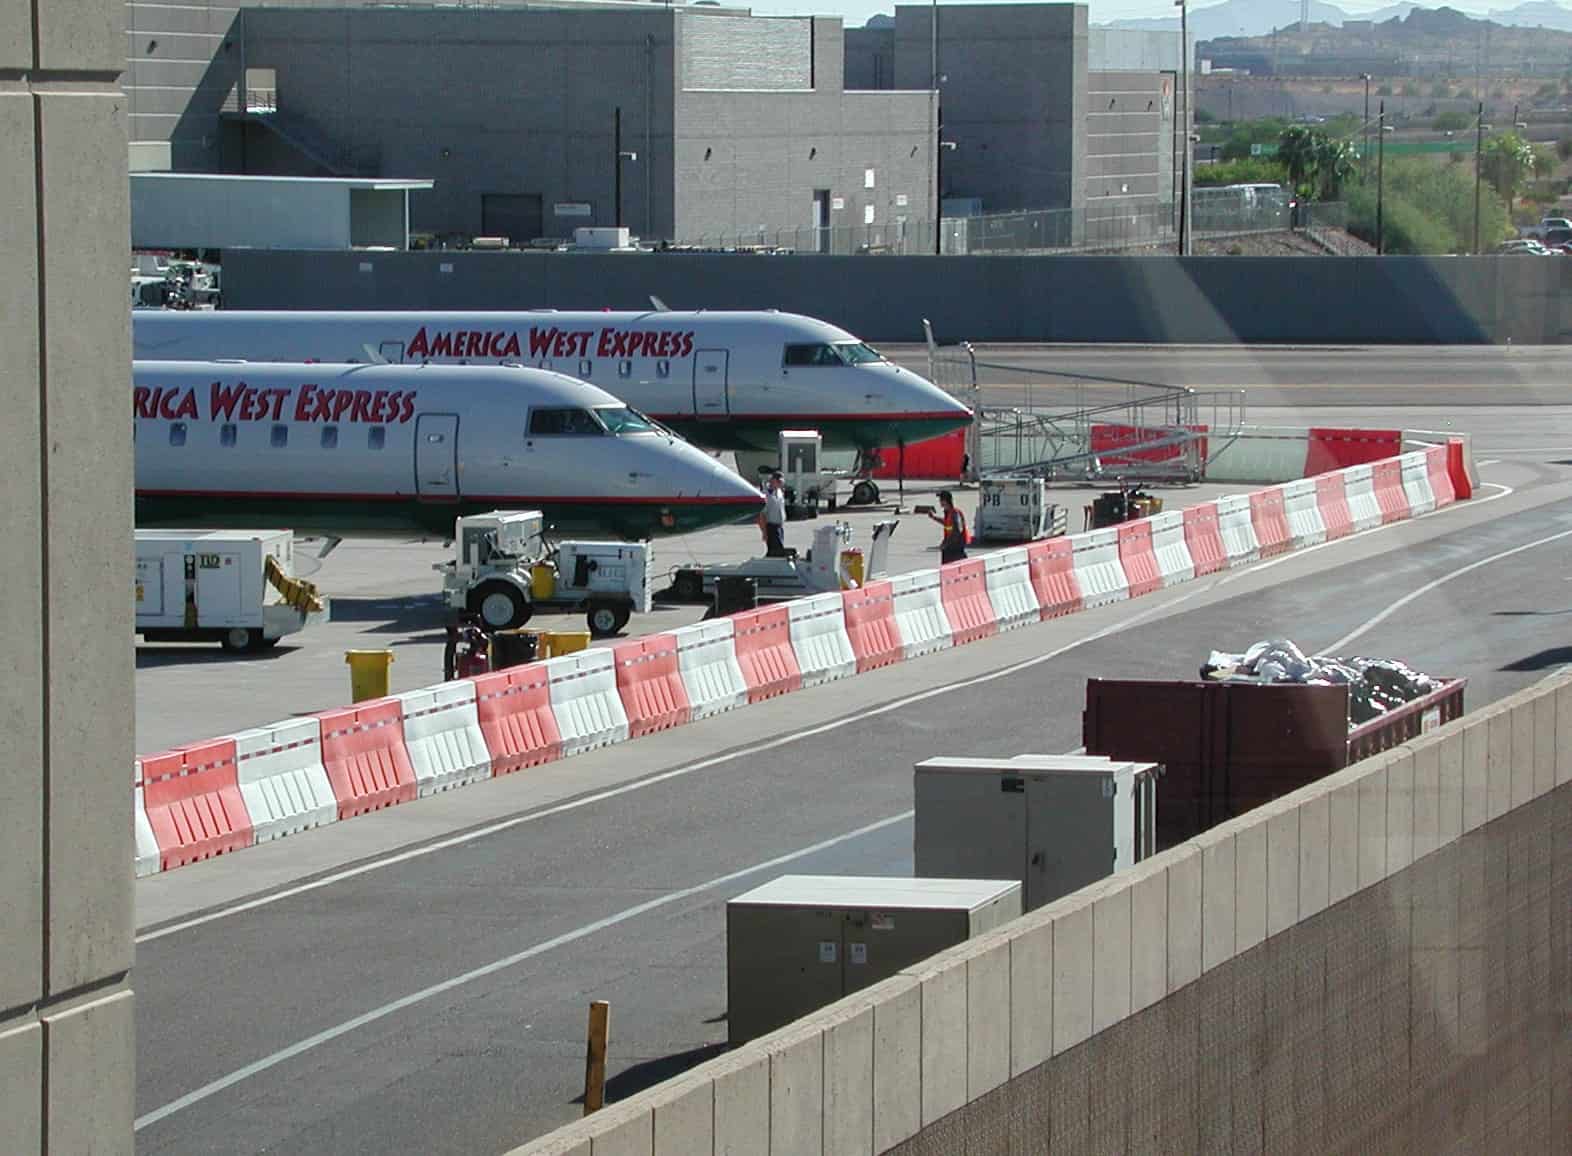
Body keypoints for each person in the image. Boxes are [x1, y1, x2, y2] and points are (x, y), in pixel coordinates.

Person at [926, 490, 969, 563]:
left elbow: (957, 530)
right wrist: (934, 517)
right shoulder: (949, 513)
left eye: (941, 500)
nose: (940, 502)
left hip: (955, 549)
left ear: (946, 501)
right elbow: (947, 524)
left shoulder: (955, 513)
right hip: (950, 548)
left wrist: (946, 543)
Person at [760, 471, 788, 557]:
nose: (781, 483)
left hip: (780, 526)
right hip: (771, 527)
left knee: (778, 550)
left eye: (781, 482)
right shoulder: (766, 495)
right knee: (776, 551)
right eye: (778, 481)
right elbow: (762, 515)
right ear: (772, 481)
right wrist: (764, 532)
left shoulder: (779, 492)